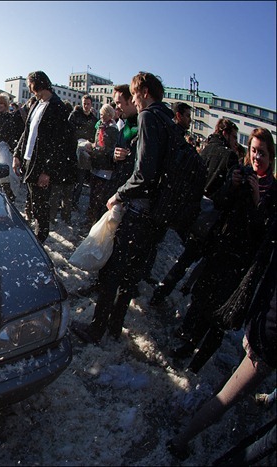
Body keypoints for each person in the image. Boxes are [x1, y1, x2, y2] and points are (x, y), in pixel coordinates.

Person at [70, 72, 172, 344]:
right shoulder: (168, 119)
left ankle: (96, 329)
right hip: (155, 213)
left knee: (112, 270)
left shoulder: (148, 117)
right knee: (129, 275)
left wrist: (119, 194)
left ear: (144, 93)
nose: (134, 102)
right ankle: (115, 326)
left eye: (135, 96)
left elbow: (145, 172)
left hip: (137, 209)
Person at [167, 211, 276, 462]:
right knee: (228, 396)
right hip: (268, 335)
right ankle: (180, 440)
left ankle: (194, 417)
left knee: (231, 387)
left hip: (260, 320)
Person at [169, 127, 276, 373]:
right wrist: (231, 186)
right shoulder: (243, 173)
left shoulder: (273, 191)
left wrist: (258, 200)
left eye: (262, 153)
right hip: (221, 250)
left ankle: (197, 363)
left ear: (271, 157)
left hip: (243, 263)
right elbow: (219, 203)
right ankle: (188, 344)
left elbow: (266, 232)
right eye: (254, 151)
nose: (257, 157)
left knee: (221, 314)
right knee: (202, 300)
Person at [150, 118, 241, 306]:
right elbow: (224, 194)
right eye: (234, 137)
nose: (235, 142)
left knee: (186, 256)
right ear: (225, 133)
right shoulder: (229, 156)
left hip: (193, 207)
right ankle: (168, 291)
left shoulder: (206, 149)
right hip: (209, 215)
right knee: (192, 258)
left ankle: (164, 290)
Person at [12, 71, 76, 244]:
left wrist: (47, 171)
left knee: (41, 206)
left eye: (31, 86)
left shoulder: (57, 107)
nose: (30, 91)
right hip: (29, 160)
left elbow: (59, 144)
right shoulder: (35, 103)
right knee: (33, 202)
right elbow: (26, 132)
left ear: (39, 84)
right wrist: (17, 154)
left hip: (42, 165)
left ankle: (40, 239)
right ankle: (36, 234)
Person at [85, 104, 120, 225]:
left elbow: (109, 149)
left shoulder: (112, 129)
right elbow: (98, 143)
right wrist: (93, 147)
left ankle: (96, 220)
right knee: (93, 195)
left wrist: (96, 150)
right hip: (96, 164)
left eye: (102, 114)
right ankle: (91, 219)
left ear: (109, 115)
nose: (100, 116)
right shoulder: (101, 126)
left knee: (99, 197)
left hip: (105, 167)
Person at [69, 95, 98, 211]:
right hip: (73, 149)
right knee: (71, 178)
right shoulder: (75, 115)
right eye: (84, 103)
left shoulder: (93, 119)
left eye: (88, 104)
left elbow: (95, 134)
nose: (86, 106)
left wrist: (90, 144)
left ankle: (74, 202)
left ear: (91, 105)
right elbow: (69, 129)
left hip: (85, 151)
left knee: (80, 179)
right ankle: (67, 201)